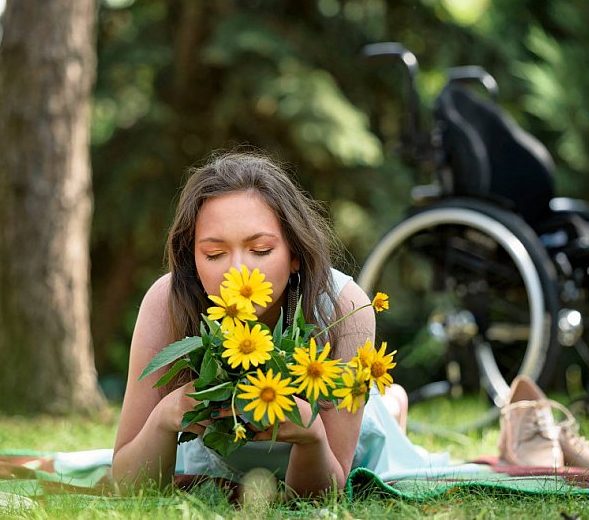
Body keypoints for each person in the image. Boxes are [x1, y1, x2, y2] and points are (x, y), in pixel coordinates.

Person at [112, 150, 439, 497]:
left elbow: (324, 494)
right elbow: (126, 479)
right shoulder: (168, 302)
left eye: (261, 250)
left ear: (294, 254)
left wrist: (312, 437)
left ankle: (389, 405)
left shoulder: (345, 307)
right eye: (214, 254)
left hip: (335, 447)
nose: (238, 271)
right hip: (222, 454)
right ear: (192, 259)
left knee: (374, 419)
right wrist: (165, 416)